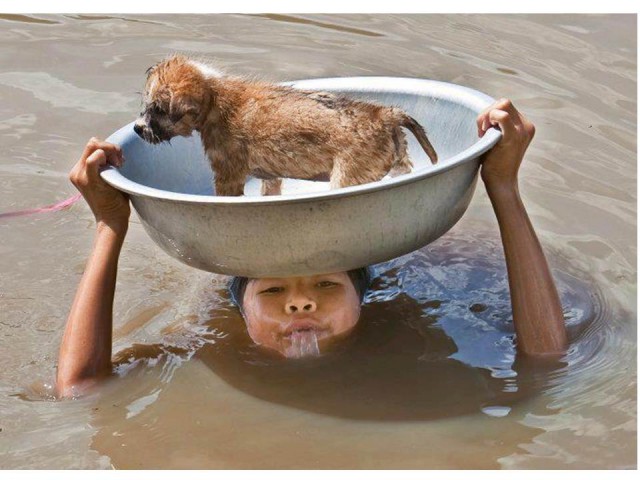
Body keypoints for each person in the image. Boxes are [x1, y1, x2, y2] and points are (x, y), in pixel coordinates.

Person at [56, 99, 568, 398]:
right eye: (273, 289)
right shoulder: (207, 344)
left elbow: (547, 361)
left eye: (326, 283)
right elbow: (79, 389)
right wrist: (109, 227)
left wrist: (504, 188)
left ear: (364, 294)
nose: (300, 303)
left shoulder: (409, 325)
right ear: (239, 308)